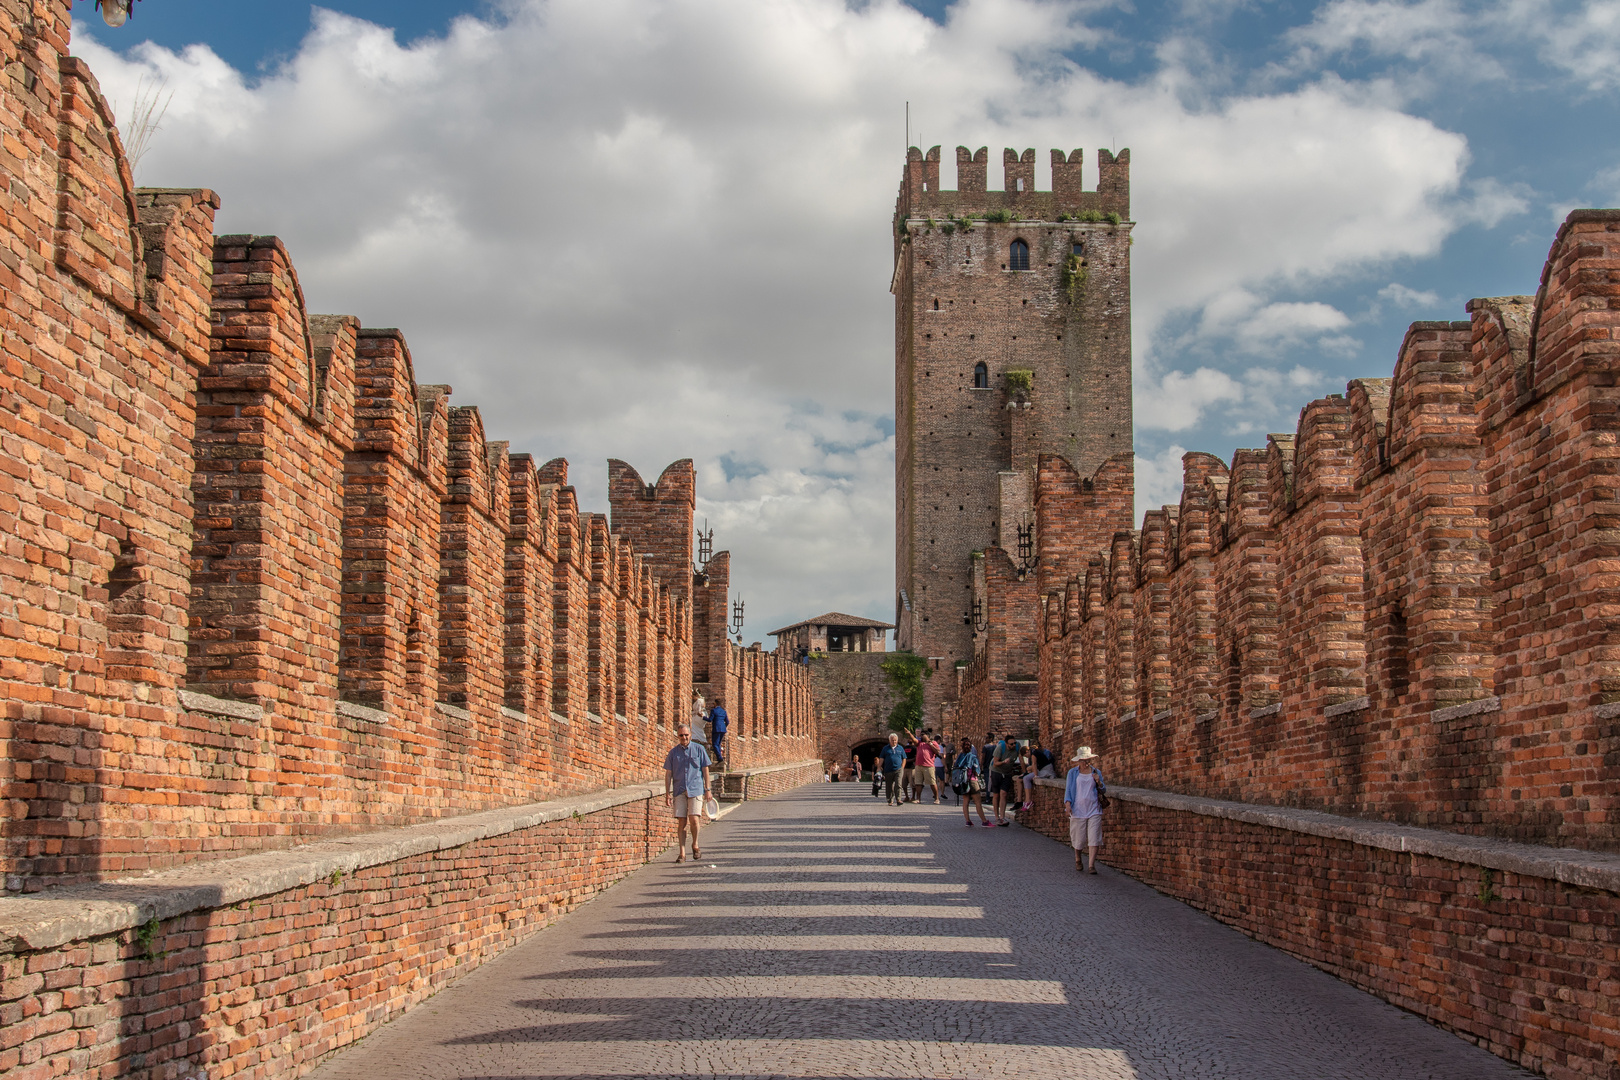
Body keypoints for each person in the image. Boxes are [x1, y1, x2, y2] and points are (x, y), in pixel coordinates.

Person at [663, 723, 713, 863]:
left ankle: (695, 844)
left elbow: (705, 770)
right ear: (677, 736)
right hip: (679, 789)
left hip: (696, 788)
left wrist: (707, 789)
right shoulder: (673, 753)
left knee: (694, 819)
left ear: (690, 734)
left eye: (686, 735)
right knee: (681, 822)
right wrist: (667, 793)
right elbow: (668, 774)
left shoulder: (699, 749)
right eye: (681, 735)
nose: (684, 737)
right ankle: (682, 853)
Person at [1064, 745, 1106, 873]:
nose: (1086, 762)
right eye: (1083, 760)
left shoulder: (1096, 772)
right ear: (1079, 761)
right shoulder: (1073, 773)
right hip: (1078, 808)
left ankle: (1091, 865)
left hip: (1094, 808)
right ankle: (1078, 857)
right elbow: (1068, 789)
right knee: (1079, 838)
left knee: (1094, 837)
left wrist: (1098, 781)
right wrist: (1067, 804)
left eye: (1088, 760)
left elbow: (1103, 790)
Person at [952, 737, 992, 827]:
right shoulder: (972, 756)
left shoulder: (960, 756)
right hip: (972, 780)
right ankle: (984, 821)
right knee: (978, 802)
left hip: (963, 781)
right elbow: (976, 770)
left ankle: (968, 821)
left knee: (965, 802)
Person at [990, 735, 1018, 826]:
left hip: (1007, 773)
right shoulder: (999, 748)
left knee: (1004, 794)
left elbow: (1021, 758)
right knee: (996, 794)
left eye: (1014, 743)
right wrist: (1003, 762)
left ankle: (1002, 817)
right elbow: (995, 763)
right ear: (1006, 744)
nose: (1013, 745)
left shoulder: (1017, 747)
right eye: (1011, 744)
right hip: (996, 772)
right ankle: (996, 817)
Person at [879, 733, 906, 806]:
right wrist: (879, 767)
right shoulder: (885, 748)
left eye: (895, 740)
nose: (894, 742)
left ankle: (898, 799)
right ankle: (890, 799)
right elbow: (882, 758)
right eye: (892, 740)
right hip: (888, 770)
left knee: (898, 784)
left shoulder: (900, 748)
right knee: (889, 786)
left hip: (898, 769)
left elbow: (904, 758)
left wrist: (902, 767)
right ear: (889, 740)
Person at [914, 730, 941, 804]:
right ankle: (918, 798)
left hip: (928, 765)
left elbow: (937, 751)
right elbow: (914, 740)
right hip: (919, 765)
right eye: (921, 735)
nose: (922, 736)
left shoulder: (933, 742)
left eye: (923, 734)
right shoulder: (919, 743)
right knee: (918, 783)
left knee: (932, 782)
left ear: (927, 735)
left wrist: (929, 743)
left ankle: (936, 798)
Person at [708, 697, 729, 769]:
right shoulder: (724, 711)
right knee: (718, 743)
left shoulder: (714, 710)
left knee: (715, 744)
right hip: (723, 729)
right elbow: (727, 722)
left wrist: (703, 717)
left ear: (716, 703)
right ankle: (719, 756)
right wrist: (723, 726)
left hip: (716, 729)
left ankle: (720, 758)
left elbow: (710, 719)